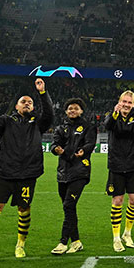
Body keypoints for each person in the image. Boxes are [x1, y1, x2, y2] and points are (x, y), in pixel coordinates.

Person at [0, 79, 54, 261]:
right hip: (6, 173)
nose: (27, 104)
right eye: (23, 101)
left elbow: (49, 114)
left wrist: (42, 93)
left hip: (28, 174)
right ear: (16, 106)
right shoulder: (6, 121)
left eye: (30, 102)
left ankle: (20, 245)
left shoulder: (37, 123)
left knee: (24, 209)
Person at [50, 97, 96, 255]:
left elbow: (90, 143)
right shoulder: (60, 128)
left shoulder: (88, 127)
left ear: (81, 110)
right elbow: (54, 143)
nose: (72, 110)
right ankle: (76, 242)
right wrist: (56, 148)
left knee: (68, 205)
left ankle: (63, 242)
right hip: (63, 173)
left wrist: (84, 150)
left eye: (75, 108)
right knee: (69, 208)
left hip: (80, 171)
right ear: (66, 111)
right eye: (70, 108)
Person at [104, 90, 134, 251]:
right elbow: (107, 125)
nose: (126, 105)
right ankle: (116, 238)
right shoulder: (113, 116)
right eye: (124, 102)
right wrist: (114, 112)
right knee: (117, 201)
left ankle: (127, 233)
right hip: (116, 165)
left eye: (130, 102)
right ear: (119, 102)